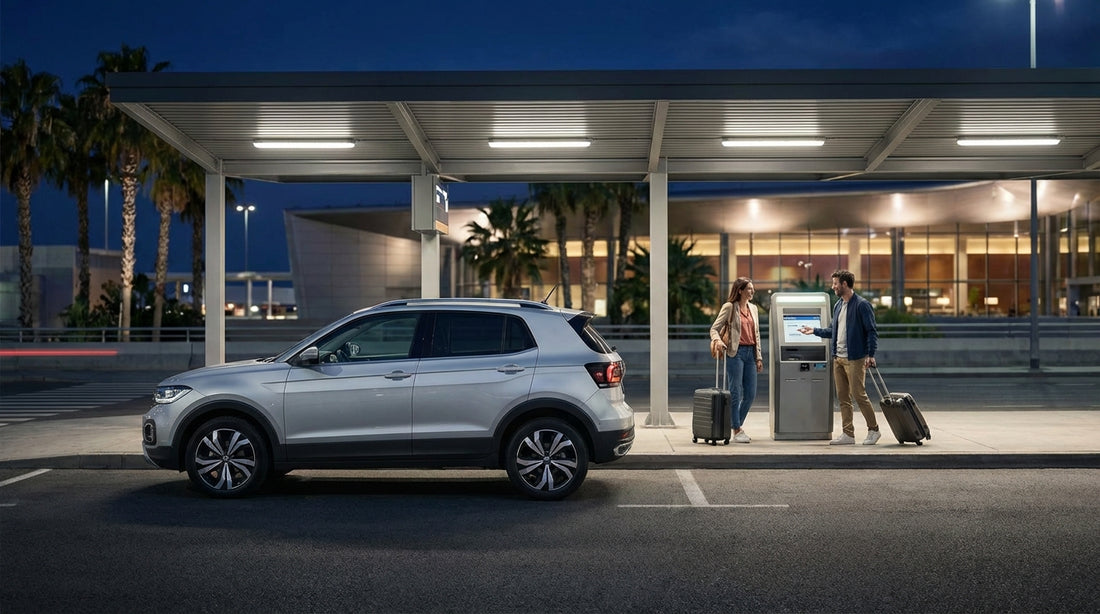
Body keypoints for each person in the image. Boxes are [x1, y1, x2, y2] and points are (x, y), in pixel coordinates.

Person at [798, 269, 882, 445]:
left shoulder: (862, 305)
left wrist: (870, 354)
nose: (833, 286)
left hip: (855, 358)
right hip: (838, 358)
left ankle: (874, 430)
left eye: (835, 283)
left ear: (844, 284)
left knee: (859, 395)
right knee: (843, 398)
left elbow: (871, 331)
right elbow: (832, 331)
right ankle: (848, 434)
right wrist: (814, 331)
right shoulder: (838, 305)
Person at [709, 277, 763, 443]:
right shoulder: (730, 307)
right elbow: (714, 329)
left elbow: (756, 334)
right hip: (735, 353)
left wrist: (759, 357)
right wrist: (717, 340)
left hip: (751, 354)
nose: (752, 291)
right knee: (735, 392)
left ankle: (733, 425)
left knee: (750, 394)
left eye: (752, 288)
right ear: (740, 291)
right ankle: (737, 429)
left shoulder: (753, 308)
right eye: (749, 289)